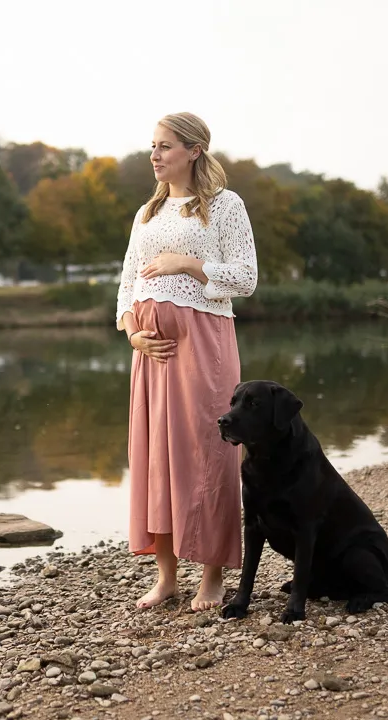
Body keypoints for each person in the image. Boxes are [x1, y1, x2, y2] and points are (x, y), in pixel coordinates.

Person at [116, 112, 258, 612]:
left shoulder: (224, 206)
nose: (154, 155)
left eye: (166, 146)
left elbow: (245, 278)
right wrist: (133, 333)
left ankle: (213, 576)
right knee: (157, 455)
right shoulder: (147, 212)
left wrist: (188, 264)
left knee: (207, 451)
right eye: (152, 146)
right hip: (152, 353)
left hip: (205, 343)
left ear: (194, 150)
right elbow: (129, 281)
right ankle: (166, 575)